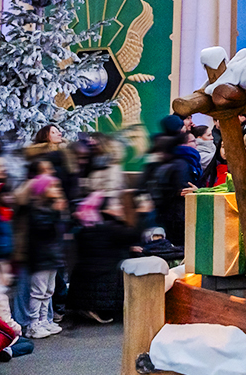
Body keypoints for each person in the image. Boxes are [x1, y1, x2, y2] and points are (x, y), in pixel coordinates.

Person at [66, 191, 140, 324]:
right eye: (114, 205)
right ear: (105, 210)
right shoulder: (110, 227)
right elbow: (133, 234)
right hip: (103, 276)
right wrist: (133, 209)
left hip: (83, 277)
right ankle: (97, 310)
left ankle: (88, 308)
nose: (119, 207)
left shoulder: (86, 226)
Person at [19, 175, 67, 338]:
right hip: (40, 257)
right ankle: (33, 324)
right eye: (52, 186)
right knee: (38, 292)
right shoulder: (35, 208)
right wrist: (56, 212)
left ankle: (44, 320)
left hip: (51, 255)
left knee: (48, 291)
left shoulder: (49, 208)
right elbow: (43, 229)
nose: (56, 189)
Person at [142, 135, 194, 246]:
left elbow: (143, 185)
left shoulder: (153, 164)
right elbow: (182, 188)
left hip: (158, 210)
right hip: (176, 213)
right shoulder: (180, 164)